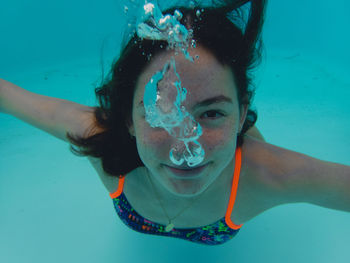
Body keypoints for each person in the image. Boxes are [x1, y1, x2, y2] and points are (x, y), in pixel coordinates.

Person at [0, 0, 349, 246]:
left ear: (242, 114)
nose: (186, 148)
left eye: (211, 112)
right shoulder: (103, 141)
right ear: (128, 119)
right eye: (160, 113)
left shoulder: (266, 174)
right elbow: (12, 97)